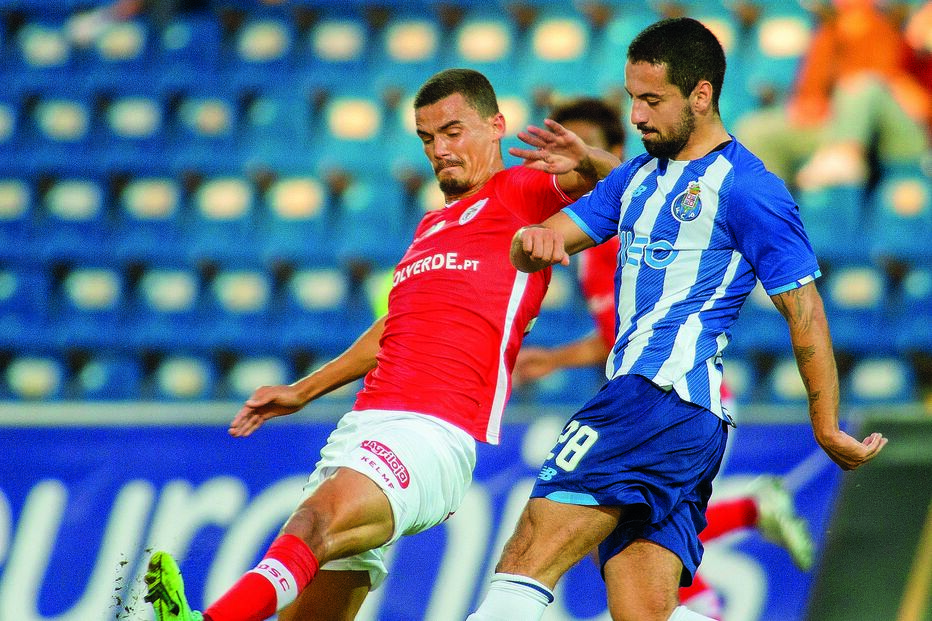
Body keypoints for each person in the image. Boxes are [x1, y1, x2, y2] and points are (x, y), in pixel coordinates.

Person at [142, 67, 620, 621]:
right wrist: (303, 390)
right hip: (362, 426)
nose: (440, 150)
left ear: (496, 126)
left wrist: (591, 158)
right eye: (427, 138)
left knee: (312, 523)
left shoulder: (521, 191)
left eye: (453, 132)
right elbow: (394, 326)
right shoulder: (431, 227)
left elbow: (639, 189)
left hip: (430, 432)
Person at [467, 18, 887, 621]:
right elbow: (547, 237)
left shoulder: (749, 188)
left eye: (652, 100)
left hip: (655, 396)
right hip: (683, 419)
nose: (637, 115)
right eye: (632, 98)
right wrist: (530, 242)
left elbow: (806, 312)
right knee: (643, 610)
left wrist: (825, 426)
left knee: (529, 551)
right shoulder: (636, 177)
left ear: (701, 95)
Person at [513, 97, 815, 619]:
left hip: (672, 394)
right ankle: (734, 548)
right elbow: (621, 333)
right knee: (636, 559)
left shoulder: (629, 223)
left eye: (584, 148)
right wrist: (558, 359)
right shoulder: (589, 233)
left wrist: (556, 359)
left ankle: (750, 509)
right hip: (667, 392)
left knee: (580, 525)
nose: (565, 162)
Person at [735, 0, 930, 191]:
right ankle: (768, 201)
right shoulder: (827, 33)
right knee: (756, 128)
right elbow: (810, 90)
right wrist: (810, 104)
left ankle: (843, 156)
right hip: (834, 124)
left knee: (860, 85)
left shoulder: (894, 32)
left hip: (888, 132)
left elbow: (901, 92)